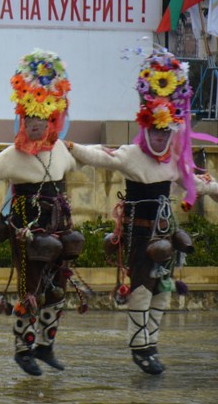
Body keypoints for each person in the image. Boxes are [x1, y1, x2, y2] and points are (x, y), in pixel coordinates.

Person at [65, 49, 215, 375]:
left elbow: (199, 184)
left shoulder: (176, 159)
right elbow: (102, 157)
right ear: (145, 129)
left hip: (165, 235)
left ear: (172, 130)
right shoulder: (132, 154)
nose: (160, 137)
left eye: (165, 132)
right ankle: (138, 345)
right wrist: (72, 147)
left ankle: (152, 342)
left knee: (163, 291)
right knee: (141, 290)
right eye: (155, 131)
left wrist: (211, 186)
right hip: (138, 234)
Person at [0, 49, 83, 377]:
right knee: (29, 289)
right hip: (26, 229)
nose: (33, 125)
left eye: (40, 119)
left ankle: (46, 346)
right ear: (21, 119)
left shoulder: (61, 150)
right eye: (28, 119)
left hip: (58, 227)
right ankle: (23, 350)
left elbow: (87, 157)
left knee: (58, 288)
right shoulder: (12, 156)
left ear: (51, 121)